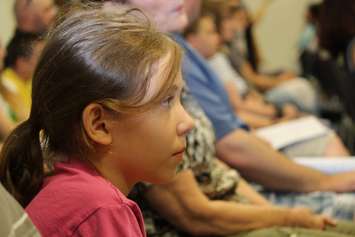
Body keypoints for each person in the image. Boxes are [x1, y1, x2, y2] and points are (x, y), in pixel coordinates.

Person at [0, 3, 194, 236]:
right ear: (99, 125)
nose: (188, 122)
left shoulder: (74, 190)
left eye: (179, 98)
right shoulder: (100, 209)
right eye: (166, 101)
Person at [1, 32, 45, 121]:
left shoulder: (32, 82)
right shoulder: (6, 84)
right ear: (21, 62)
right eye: (40, 56)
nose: (45, 60)